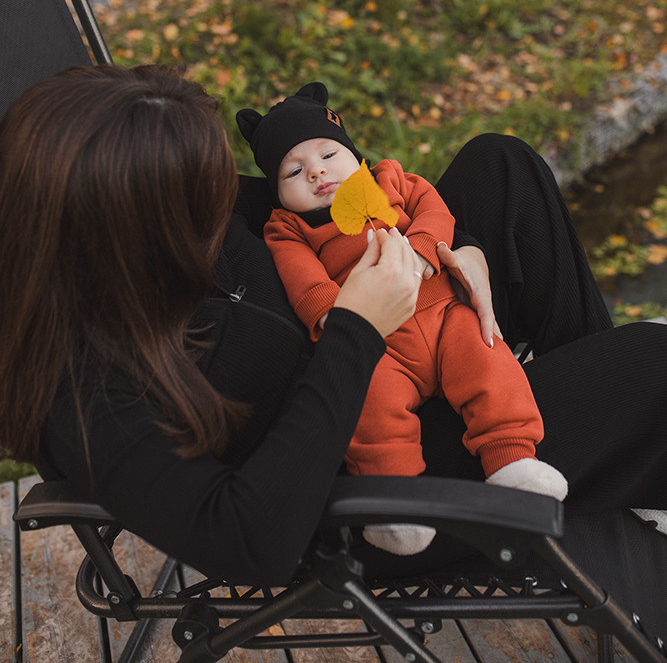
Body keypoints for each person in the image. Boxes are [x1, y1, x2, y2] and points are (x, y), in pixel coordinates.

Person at [0, 64, 665, 605]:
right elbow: (251, 542)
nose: (224, 198)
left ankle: (572, 458)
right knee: (646, 366)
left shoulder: (167, 219)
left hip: (397, 343)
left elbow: (320, 189)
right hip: (363, 481)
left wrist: (456, 253)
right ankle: (582, 455)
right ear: (129, 230)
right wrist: (355, 330)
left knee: (502, 168)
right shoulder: (90, 397)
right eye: (204, 192)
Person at [236, 82, 568, 555]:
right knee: (370, 406)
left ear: (354, 153)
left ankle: (512, 461)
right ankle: (394, 499)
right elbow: (304, 281)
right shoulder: (287, 228)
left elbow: (434, 208)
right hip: (378, 343)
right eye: (294, 170)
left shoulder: (389, 180)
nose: (317, 173)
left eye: (329, 154)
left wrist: (422, 247)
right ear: (277, 190)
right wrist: (337, 316)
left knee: (488, 356)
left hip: (442, 313)